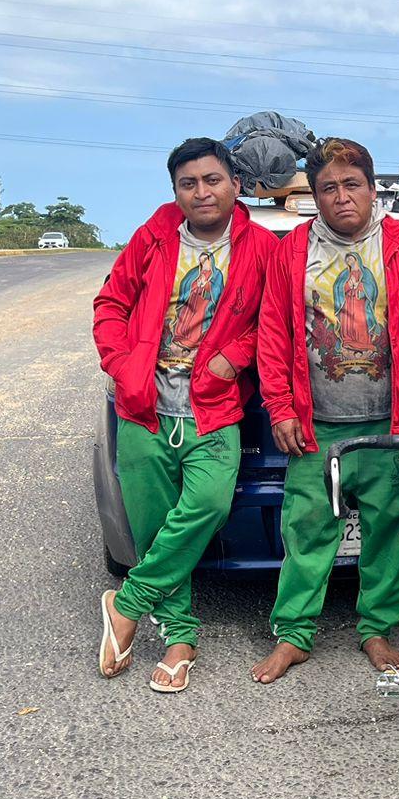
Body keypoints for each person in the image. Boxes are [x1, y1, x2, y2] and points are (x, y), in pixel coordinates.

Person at [251, 138, 399, 684]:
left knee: (388, 531)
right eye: (328, 188)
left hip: (392, 421)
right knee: (308, 528)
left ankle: (377, 628)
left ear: (371, 187)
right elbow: (272, 335)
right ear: (315, 196)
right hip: (316, 427)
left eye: (352, 184)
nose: (341, 197)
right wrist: (281, 407)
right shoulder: (291, 251)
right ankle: (293, 634)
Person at [92, 137, 274, 693]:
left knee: (207, 506)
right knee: (152, 527)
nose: (202, 192)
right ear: (176, 190)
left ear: (235, 185)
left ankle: (126, 604)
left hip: (213, 410)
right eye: (188, 183)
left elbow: (272, 322)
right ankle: (179, 636)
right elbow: (110, 306)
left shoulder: (261, 247)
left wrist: (232, 358)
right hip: (144, 408)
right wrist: (125, 367)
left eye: (212, 180)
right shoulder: (152, 238)